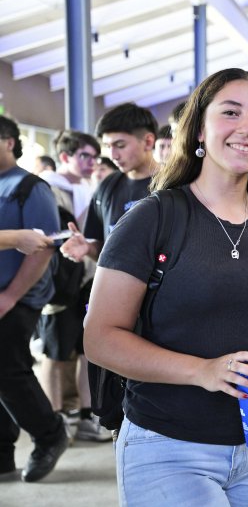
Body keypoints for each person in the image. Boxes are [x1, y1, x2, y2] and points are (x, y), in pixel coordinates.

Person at [83, 68, 248, 506]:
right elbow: (100, 338)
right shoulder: (153, 218)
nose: (247, 128)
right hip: (168, 446)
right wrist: (203, 371)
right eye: (230, 113)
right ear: (198, 130)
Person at [0, 114, 70, 483]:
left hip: (19, 296)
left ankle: (49, 434)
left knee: (8, 369)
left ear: (9, 142)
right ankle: (2, 453)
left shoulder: (30, 186)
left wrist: (11, 296)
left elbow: (43, 248)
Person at [37, 130, 111, 442]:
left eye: (94, 156)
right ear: (66, 156)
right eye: (85, 156)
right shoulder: (46, 188)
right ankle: (54, 422)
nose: (91, 162)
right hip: (58, 283)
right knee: (55, 351)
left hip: (90, 279)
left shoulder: (92, 187)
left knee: (87, 349)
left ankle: (85, 416)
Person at [60, 102, 159, 263]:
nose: (113, 155)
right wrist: (88, 248)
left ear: (148, 142)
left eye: (120, 145)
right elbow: (104, 250)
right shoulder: (107, 186)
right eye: (108, 146)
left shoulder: (174, 184)